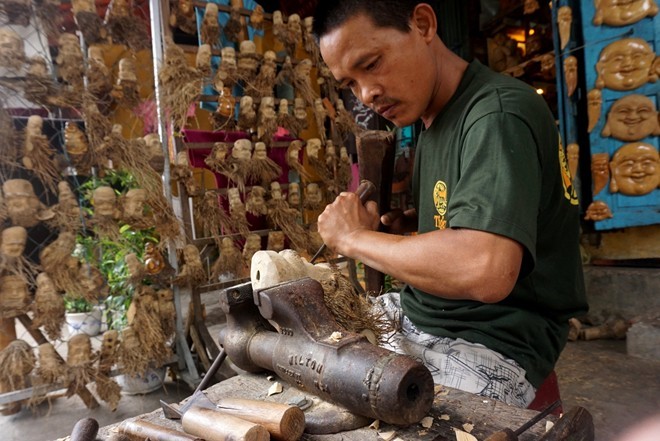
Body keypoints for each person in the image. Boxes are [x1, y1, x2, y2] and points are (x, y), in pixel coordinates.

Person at [313, 0, 588, 408]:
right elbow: (467, 222)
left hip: (491, 341)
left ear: (422, 24)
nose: (366, 94)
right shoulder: (432, 119)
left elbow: (487, 269)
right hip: (428, 315)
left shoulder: (496, 114)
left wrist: (355, 238)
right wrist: (407, 230)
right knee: (300, 350)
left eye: (370, 64)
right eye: (349, 84)